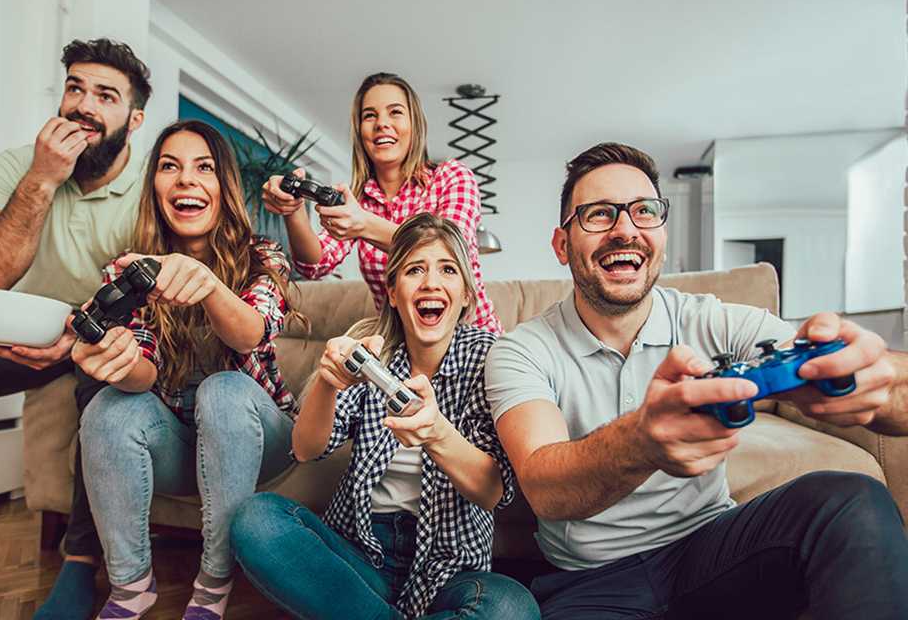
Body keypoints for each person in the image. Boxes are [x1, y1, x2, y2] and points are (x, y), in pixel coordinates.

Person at [486, 142, 908, 619]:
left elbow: (880, 385)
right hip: (588, 583)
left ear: (661, 234)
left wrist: (879, 377)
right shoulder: (521, 349)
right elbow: (545, 487)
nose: (625, 230)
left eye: (644, 211)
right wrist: (642, 440)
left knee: (851, 501)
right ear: (562, 245)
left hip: (712, 548)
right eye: (599, 214)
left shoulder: (712, 321)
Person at [230, 213, 538, 619]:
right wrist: (327, 384)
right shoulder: (372, 350)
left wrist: (436, 433)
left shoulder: (490, 358)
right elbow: (305, 449)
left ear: (466, 294)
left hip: (449, 568)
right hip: (360, 555)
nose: (430, 283)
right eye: (414, 270)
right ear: (393, 292)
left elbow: (492, 492)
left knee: (512, 607)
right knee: (256, 519)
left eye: (447, 269)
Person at [0, 38, 151, 618]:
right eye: (75, 88)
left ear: (134, 120)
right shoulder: (16, 167)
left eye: (105, 95)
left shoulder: (151, 185)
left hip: (103, 336)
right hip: (21, 335)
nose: (84, 105)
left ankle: (81, 564)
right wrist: (40, 180)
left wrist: (77, 339)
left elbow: (146, 298)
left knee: (108, 385)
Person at [73, 120, 300, 620]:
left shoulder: (263, 255)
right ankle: (130, 586)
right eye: (169, 167)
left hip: (263, 439)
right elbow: (143, 375)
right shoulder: (129, 270)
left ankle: (214, 581)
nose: (185, 180)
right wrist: (116, 361)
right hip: (181, 440)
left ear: (224, 186)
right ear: (154, 185)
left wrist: (207, 282)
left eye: (204, 167)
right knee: (108, 407)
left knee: (224, 390)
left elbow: (251, 333)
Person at [262, 72, 502, 333]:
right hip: (404, 345)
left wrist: (365, 225)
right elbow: (314, 264)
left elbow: (451, 250)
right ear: (360, 130)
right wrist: (292, 209)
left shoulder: (452, 176)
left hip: (474, 337)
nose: (382, 123)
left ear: (415, 124)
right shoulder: (357, 202)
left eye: (395, 112)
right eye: (370, 115)